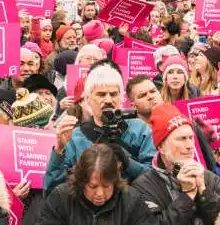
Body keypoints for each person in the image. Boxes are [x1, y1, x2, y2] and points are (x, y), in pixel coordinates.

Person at [44, 60, 156, 192]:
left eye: (114, 94)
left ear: (121, 97)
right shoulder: (75, 137)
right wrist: (59, 150)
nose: (108, 100)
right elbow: (54, 190)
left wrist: (127, 161)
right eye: (101, 94)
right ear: (88, 99)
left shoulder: (139, 130)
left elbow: (154, 180)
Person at [132, 103, 220, 225]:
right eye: (182, 139)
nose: (190, 145)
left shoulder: (210, 178)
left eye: (191, 138)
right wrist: (188, 196)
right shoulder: (144, 186)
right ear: (161, 147)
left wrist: (204, 192)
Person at [32, 144, 162, 225]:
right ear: (81, 181)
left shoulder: (132, 200)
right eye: (92, 186)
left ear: (115, 181)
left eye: (106, 186)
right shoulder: (61, 197)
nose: (100, 193)